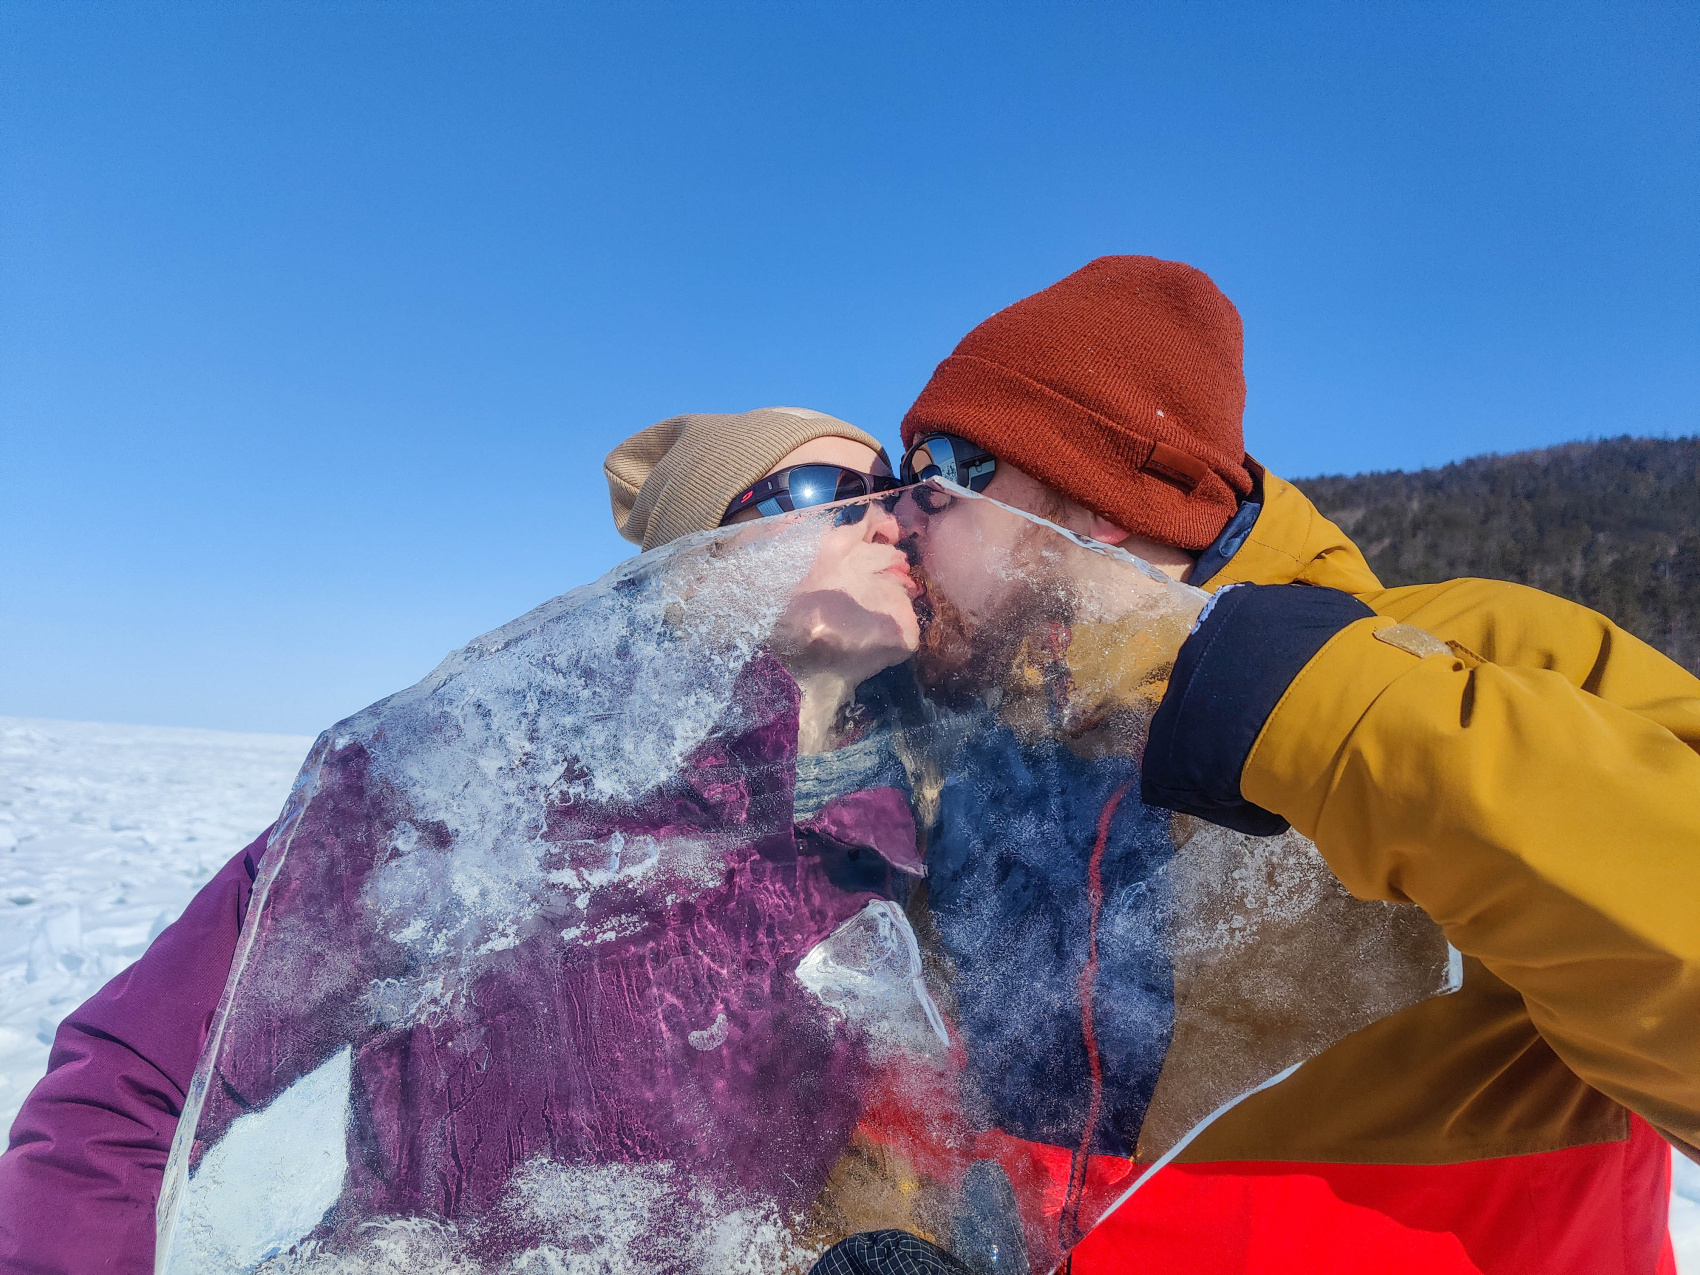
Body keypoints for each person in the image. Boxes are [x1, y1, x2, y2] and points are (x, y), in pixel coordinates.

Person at [886, 255, 1700, 1274]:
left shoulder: (1480, 650)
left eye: (946, 469)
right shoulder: (995, 762)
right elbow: (926, 1084)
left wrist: (1334, 717)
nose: (896, 513)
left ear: (1096, 506)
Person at [0, 405, 924, 1272]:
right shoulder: (483, 784)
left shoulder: (892, 842)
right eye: (824, 497)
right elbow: (129, 1084)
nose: (883, 522)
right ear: (698, 563)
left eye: (889, 496)